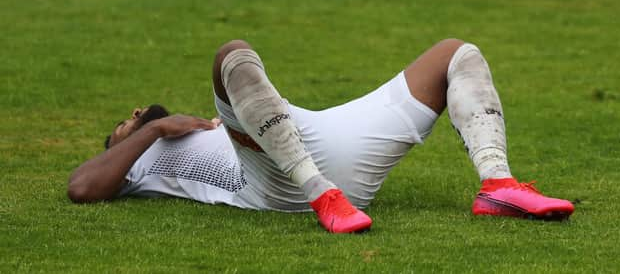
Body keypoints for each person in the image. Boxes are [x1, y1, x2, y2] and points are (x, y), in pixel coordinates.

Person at [67, 39, 574, 233]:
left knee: (454, 53)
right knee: (231, 54)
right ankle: (322, 195)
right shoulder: (140, 165)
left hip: (319, 134)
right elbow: (82, 187)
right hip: (277, 182)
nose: (133, 114)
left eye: (137, 116)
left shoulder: (213, 124)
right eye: (122, 123)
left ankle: (498, 186)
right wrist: (153, 128)